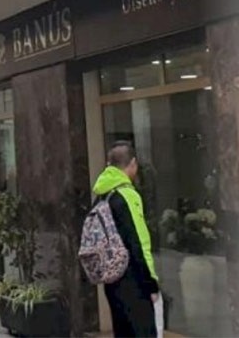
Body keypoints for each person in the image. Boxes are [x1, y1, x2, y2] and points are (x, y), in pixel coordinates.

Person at [91, 142, 160, 337]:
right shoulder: (128, 196)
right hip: (134, 281)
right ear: (133, 164)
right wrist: (151, 283)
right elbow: (138, 242)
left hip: (112, 279)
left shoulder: (102, 194)